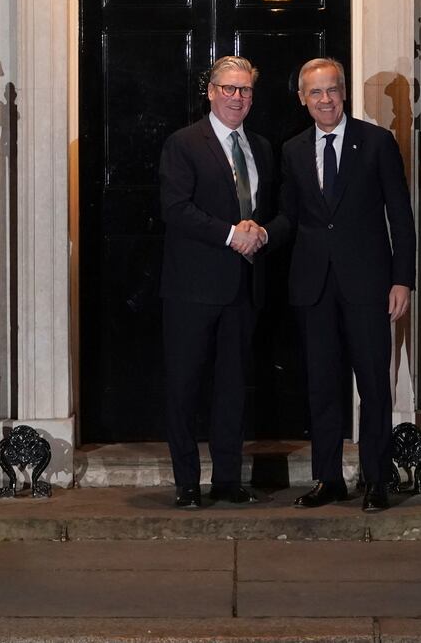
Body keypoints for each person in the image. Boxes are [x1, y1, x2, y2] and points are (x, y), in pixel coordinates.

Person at [268, 57, 416, 512]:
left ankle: (375, 480)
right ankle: (328, 478)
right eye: (315, 92)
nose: (325, 99)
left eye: (332, 90)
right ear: (302, 99)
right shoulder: (293, 150)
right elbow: (290, 217)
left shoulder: (377, 143)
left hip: (369, 286)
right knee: (323, 386)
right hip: (314, 288)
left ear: (344, 92)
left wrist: (402, 280)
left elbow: (401, 217)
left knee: (373, 385)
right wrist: (259, 233)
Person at [157, 55, 277, 508]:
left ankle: (227, 480)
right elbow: (175, 209)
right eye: (228, 88)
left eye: (245, 90)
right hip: (191, 290)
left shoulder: (261, 148)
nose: (237, 98)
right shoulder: (184, 143)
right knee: (184, 389)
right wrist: (232, 235)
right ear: (210, 91)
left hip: (243, 290)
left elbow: (272, 212)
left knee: (232, 390)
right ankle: (187, 484)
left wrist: (260, 233)